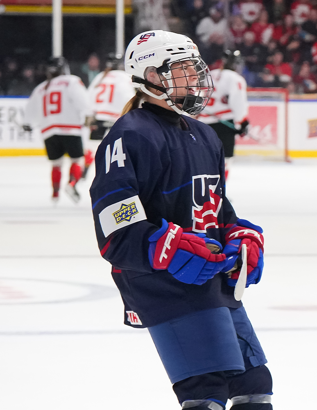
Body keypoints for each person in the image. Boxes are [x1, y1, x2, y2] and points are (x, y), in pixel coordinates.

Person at [89, 30, 272, 410]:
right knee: (206, 392)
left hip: (211, 280)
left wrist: (239, 234)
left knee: (254, 385)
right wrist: (165, 245)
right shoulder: (130, 135)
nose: (195, 79)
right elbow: (114, 224)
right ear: (151, 75)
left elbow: (216, 209)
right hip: (163, 284)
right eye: (183, 70)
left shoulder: (205, 136)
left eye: (195, 68)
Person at [23, 56, 90, 203]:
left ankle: (55, 194)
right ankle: (72, 184)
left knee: (56, 164)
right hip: (70, 128)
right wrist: (89, 114)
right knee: (77, 160)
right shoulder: (71, 81)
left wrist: (27, 123)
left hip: (48, 131)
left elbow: (30, 112)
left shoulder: (41, 88)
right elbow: (83, 101)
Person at [199, 50, 249, 179]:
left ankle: (205, 192)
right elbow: (237, 102)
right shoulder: (235, 78)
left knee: (206, 158)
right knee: (225, 159)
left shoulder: (211, 74)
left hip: (203, 123)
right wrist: (241, 122)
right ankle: (219, 192)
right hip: (224, 124)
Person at [85, 52, 135, 179]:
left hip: (98, 118)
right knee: (119, 148)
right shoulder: (125, 77)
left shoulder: (100, 76)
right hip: (116, 119)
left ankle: (83, 171)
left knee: (93, 146)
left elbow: (89, 96)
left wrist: (90, 114)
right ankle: (115, 174)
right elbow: (129, 97)